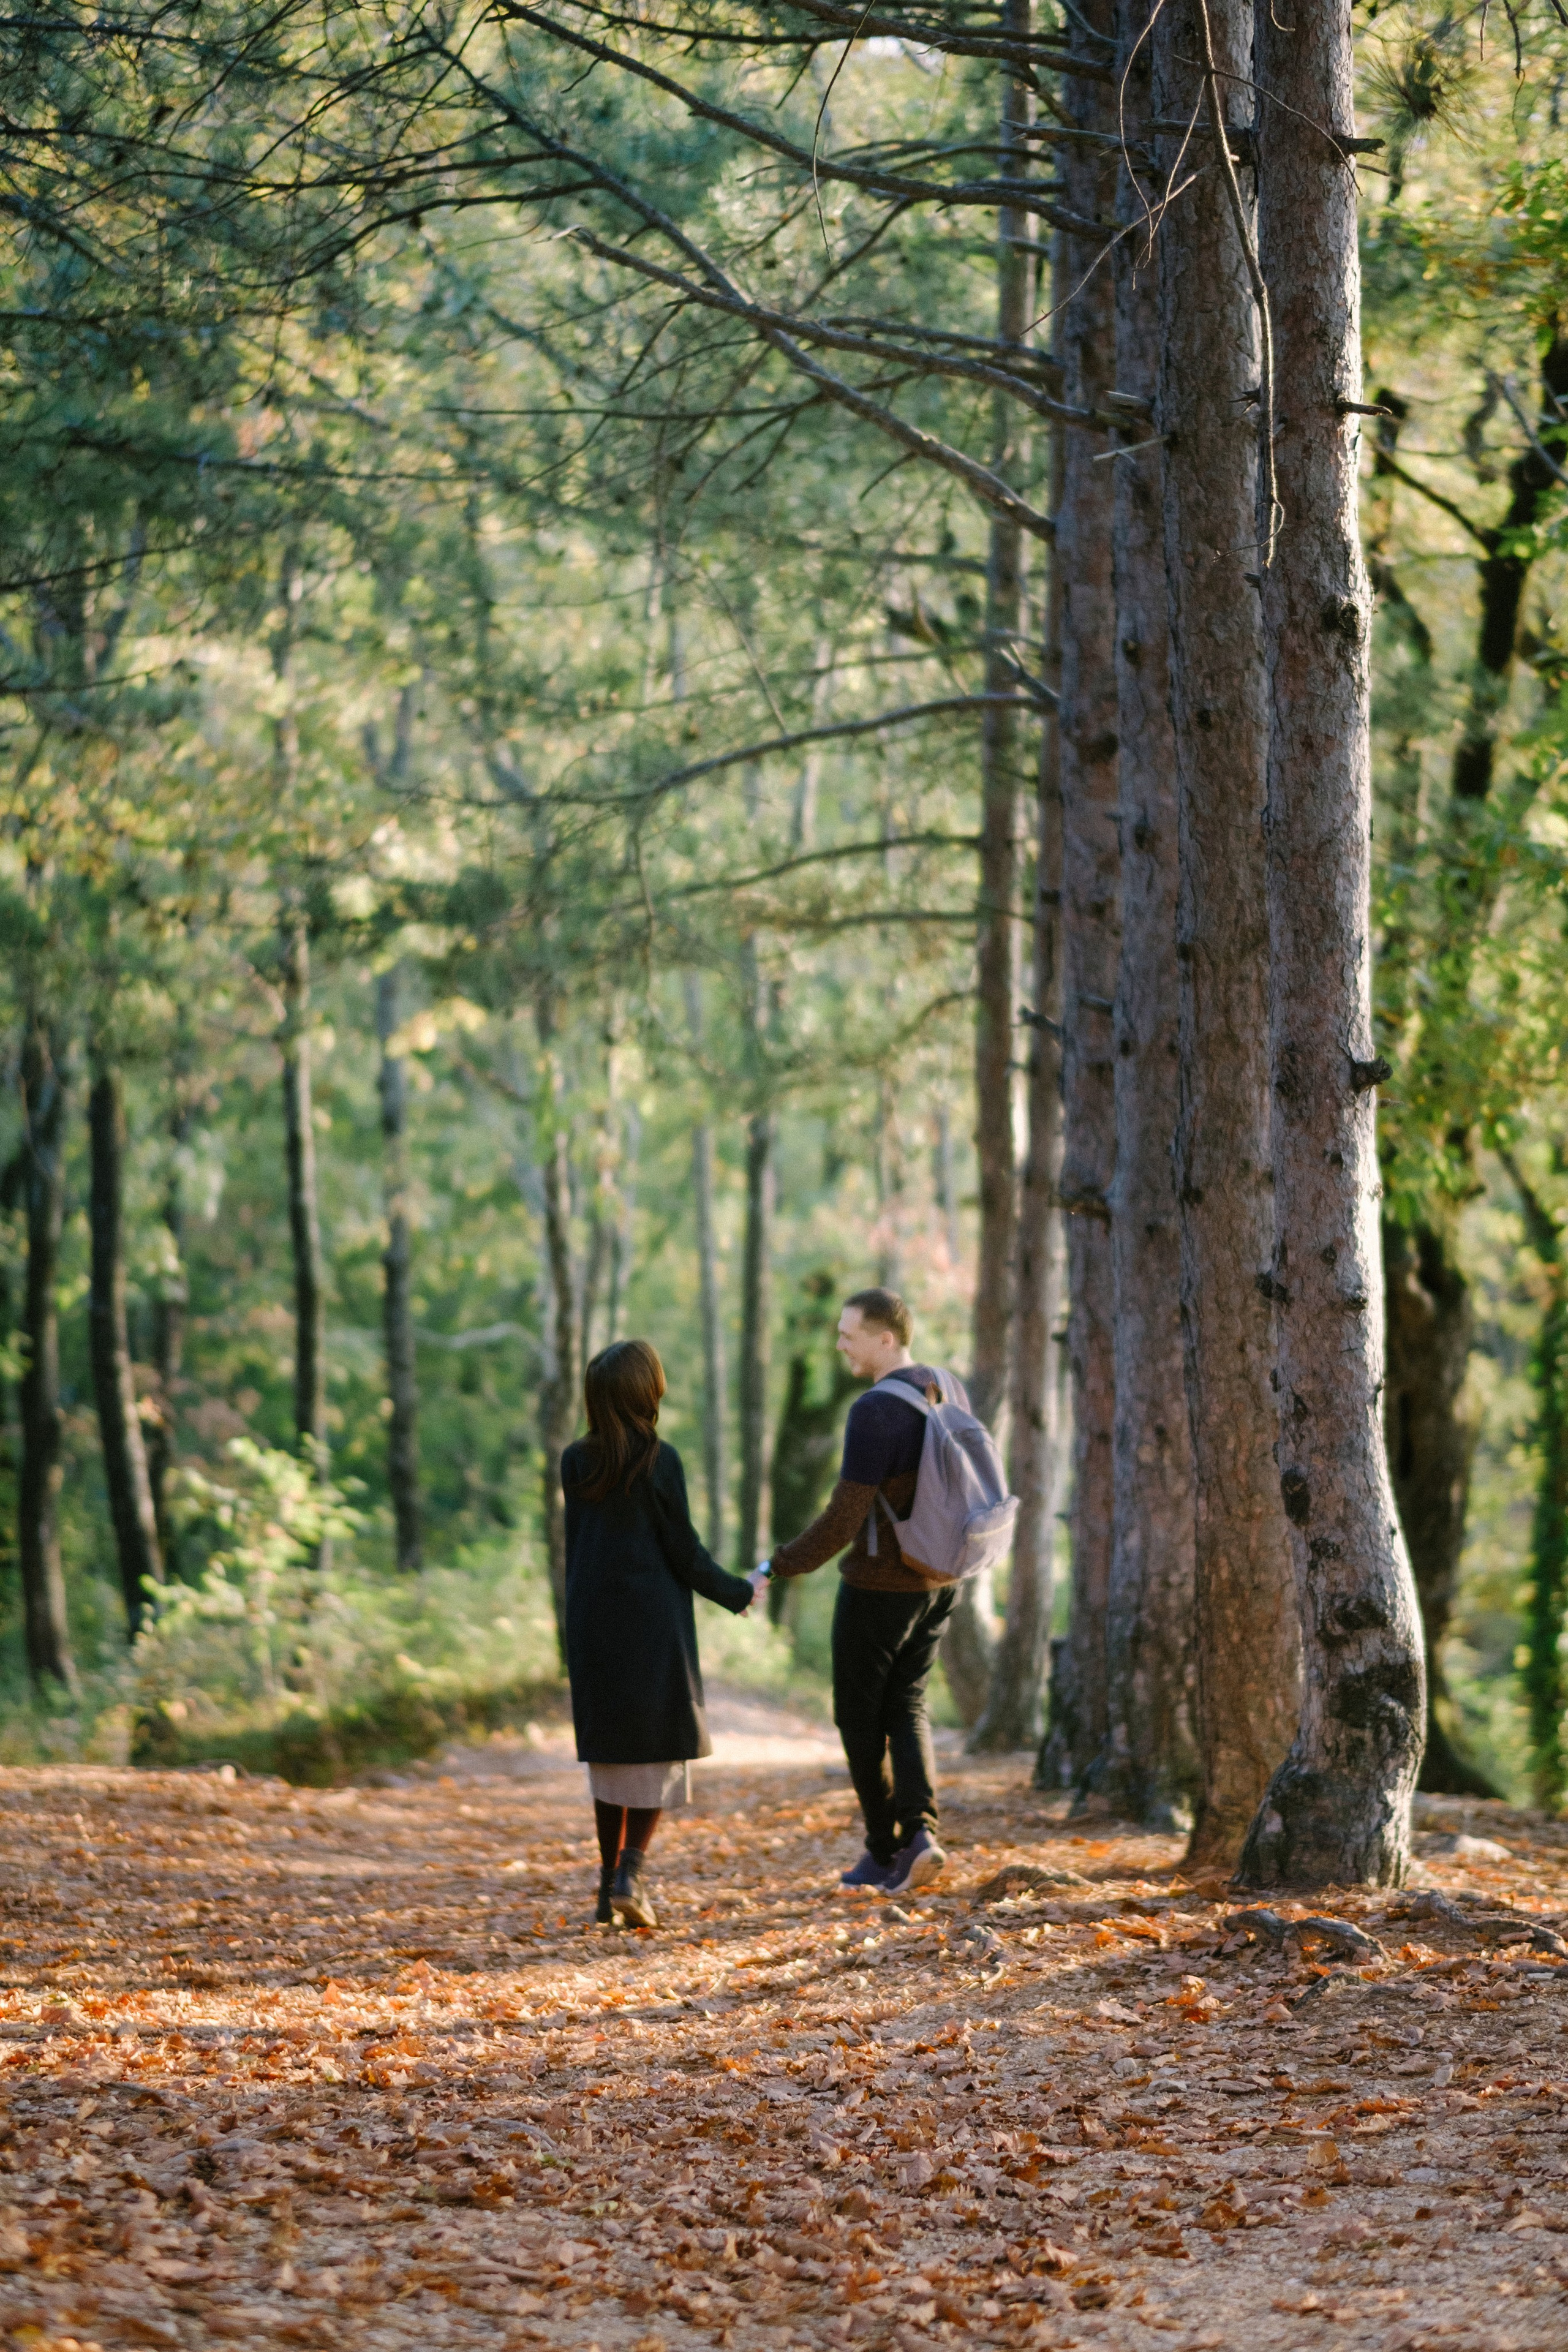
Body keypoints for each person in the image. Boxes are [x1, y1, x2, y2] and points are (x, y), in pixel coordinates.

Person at [757, 1287, 960, 1898]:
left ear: (887, 1339)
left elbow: (845, 1518)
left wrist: (778, 1564)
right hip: (940, 1579)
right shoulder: (942, 1388)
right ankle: (920, 1837)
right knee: (908, 1703)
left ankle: (883, 1851)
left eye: (850, 1333)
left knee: (857, 1715)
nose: (839, 1343)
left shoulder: (874, 1411)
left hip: (880, 1585)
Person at [562, 1338, 760, 1929]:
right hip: (652, 1624)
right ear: (647, 1391)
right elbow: (684, 1552)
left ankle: (605, 1892)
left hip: (591, 1619)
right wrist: (738, 1591)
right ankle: (631, 1873)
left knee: (610, 1754)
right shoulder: (660, 1460)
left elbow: (577, 1547)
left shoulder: (576, 1460)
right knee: (659, 1750)